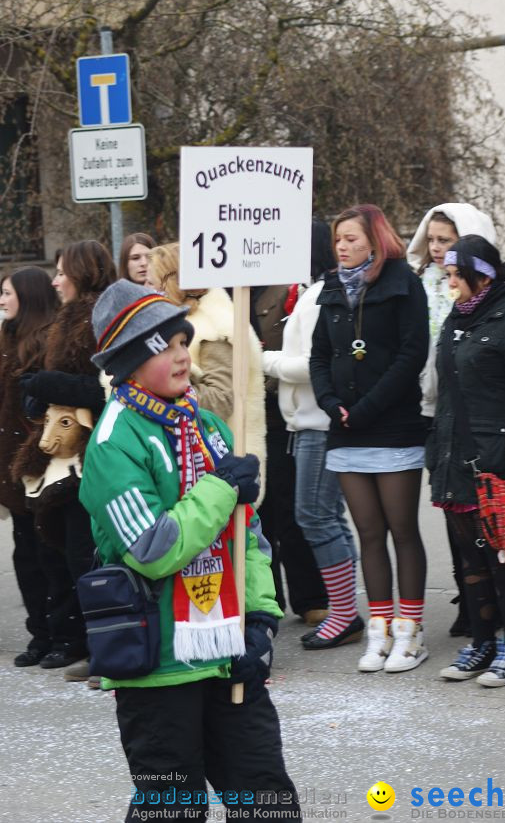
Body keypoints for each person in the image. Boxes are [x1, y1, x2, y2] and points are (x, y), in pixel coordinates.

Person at [80, 279, 300, 822]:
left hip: (227, 653)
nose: (183, 355)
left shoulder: (204, 425)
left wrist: (261, 618)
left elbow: (245, 536)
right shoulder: (114, 442)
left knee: (267, 800)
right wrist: (223, 488)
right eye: (165, 346)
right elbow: (153, 548)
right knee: (170, 812)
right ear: (130, 364)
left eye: (182, 340)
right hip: (157, 668)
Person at [310, 204, 429, 672]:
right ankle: (378, 632)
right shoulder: (333, 288)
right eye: (338, 239)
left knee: (402, 530)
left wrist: (365, 409)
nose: (342, 246)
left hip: (392, 425)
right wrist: (328, 402)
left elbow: (411, 355)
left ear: (376, 241)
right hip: (345, 431)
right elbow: (320, 355)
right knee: (369, 534)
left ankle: (410, 632)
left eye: (352, 239)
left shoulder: (403, 284)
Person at [430, 235, 505, 687]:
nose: (450, 282)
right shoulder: (455, 321)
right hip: (455, 459)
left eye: (458, 275)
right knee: (469, 561)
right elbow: (445, 394)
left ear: (483, 274)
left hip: (495, 461)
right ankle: (480, 643)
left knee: (502, 560)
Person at [17, 240, 116, 677]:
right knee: (65, 551)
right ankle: (80, 640)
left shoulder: (100, 317)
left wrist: (50, 384)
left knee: (87, 553)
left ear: (81, 272)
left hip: (98, 452)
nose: (56, 281)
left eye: (62, 272)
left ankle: (106, 646)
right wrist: (39, 396)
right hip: (66, 452)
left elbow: (105, 391)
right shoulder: (69, 317)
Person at [263, 220, 359, 647]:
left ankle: (343, 612)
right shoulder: (312, 291)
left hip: (317, 422)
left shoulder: (320, 294)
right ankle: (346, 609)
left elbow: (313, 363)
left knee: (315, 517)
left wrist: (263, 361)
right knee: (326, 517)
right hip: (307, 421)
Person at [408, 202, 496, 637]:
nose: (439, 249)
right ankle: (469, 595)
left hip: (474, 413)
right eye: (435, 240)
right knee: (451, 509)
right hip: (432, 408)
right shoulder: (423, 283)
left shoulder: (482, 290)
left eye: (449, 240)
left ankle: (493, 598)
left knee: (484, 513)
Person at [145, 242, 267, 504]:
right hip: (187, 455)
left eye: (153, 283)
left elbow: (222, 399)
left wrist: (161, 389)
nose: (147, 291)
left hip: (214, 462)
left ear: (172, 282)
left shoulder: (213, 326)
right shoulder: (181, 322)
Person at [252, 282, 328, 625]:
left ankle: (310, 597)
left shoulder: (286, 291)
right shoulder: (223, 294)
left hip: (278, 411)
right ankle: (268, 598)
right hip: (243, 417)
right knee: (256, 511)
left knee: (290, 509)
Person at [0, 267, 59, 666]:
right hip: (11, 465)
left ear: (28, 295)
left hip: (42, 459)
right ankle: (39, 633)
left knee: (49, 551)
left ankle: (61, 633)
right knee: (25, 552)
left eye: (6, 293)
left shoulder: (46, 341)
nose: (2, 300)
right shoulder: (4, 338)